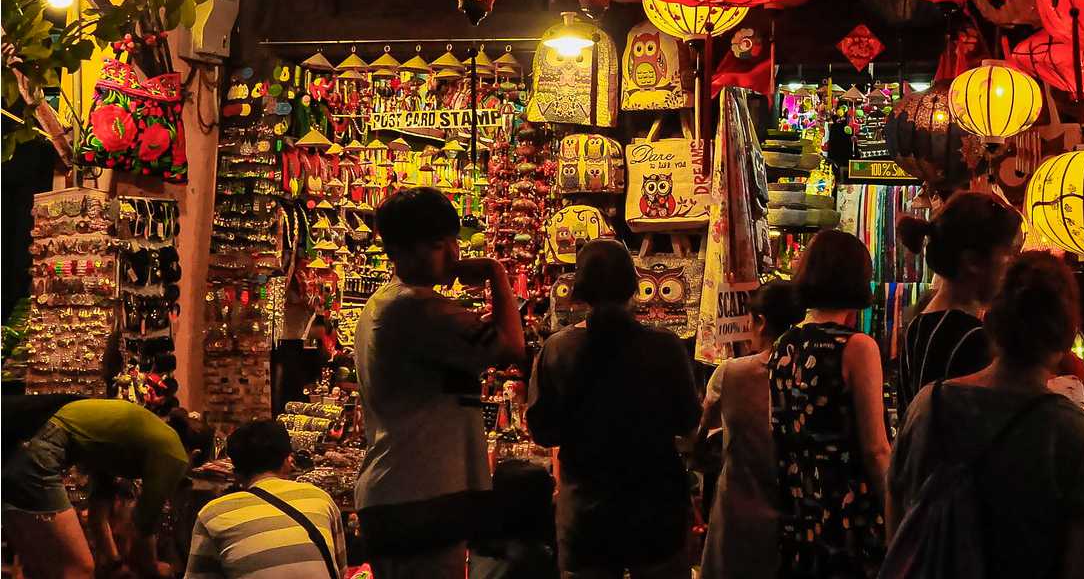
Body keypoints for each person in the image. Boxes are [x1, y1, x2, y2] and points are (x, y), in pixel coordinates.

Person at [889, 251, 1084, 579]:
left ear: (990, 321)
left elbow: (899, 528)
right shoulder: (1081, 437)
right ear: (1069, 334)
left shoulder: (929, 406)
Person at [354, 187, 526, 578]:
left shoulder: (388, 303)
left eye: (453, 243)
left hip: (404, 491)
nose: (454, 255)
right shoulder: (415, 308)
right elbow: (512, 347)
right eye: (439, 245)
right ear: (402, 251)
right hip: (418, 494)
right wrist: (497, 275)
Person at [527, 238, 701, 579]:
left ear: (579, 289)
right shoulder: (664, 346)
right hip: (655, 508)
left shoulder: (558, 349)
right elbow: (688, 420)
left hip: (587, 512)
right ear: (634, 285)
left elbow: (543, 431)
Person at [767, 229, 890, 578]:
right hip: (845, 510)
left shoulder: (784, 345)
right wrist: (896, 511)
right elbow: (876, 449)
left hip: (798, 506)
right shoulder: (858, 347)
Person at [2, 396, 191, 579]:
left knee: (39, 571)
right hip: (38, 455)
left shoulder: (126, 444)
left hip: (15, 455)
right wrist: (154, 568)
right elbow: (141, 530)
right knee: (80, 570)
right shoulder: (176, 454)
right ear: (196, 454)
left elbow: (97, 515)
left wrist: (114, 562)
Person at [699, 280, 805, 579]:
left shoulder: (731, 373)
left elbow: (701, 429)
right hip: (796, 514)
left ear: (760, 321)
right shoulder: (809, 370)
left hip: (740, 515)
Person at [896, 192, 1023, 395]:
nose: (1010, 263)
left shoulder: (918, 326)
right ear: (972, 262)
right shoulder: (972, 338)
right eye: (1006, 253)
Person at [184, 420, 344, 579]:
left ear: (235, 472)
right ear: (288, 462)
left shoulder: (213, 514)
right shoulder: (320, 498)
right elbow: (341, 571)